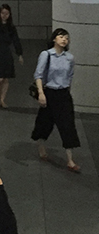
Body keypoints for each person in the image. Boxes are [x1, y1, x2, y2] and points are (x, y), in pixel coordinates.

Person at [31, 28, 79, 172]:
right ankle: (41, 146)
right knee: (45, 122)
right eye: (61, 37)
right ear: (54, 39)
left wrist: (68, 91)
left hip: (63, 94)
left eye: (66, 38)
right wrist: (41, 93)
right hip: (50, 92)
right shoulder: (46, 55)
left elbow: (70, 76)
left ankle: (70, 160)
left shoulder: (69, 58)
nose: (64, 40)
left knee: (67, 125)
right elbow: (38, 75)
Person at [0, 3, 24, 109]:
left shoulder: (11, 27)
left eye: (7, 13)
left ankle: (2, 99)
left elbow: (16, 40)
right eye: (3, 13)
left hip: (6, 53)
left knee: (5, 79)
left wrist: (19, 54)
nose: (4, 15)